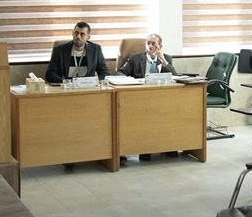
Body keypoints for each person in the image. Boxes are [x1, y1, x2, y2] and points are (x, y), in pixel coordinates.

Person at [116, 33, 178, 161]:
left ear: (160, 47)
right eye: (148, 43)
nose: (150, 46)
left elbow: (175, 76)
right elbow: (120, 73)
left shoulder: (167, 58)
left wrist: (163, 60)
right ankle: (145, 148)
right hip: (140, 97)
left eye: (153, 44)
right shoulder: (135, 58)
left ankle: (169, 145)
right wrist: (132, 81)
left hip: (161, 98)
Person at [45, 22, 110, 84]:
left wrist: (92, 82)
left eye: (82, 34)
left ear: (88, 37)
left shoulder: (95, 50)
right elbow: (50, 74)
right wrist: (66, 82)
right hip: (67, 86)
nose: (78, 36)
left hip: (87, 87)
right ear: (73, 33)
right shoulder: (60, 50)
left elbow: (105, 73)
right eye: (76, 33)